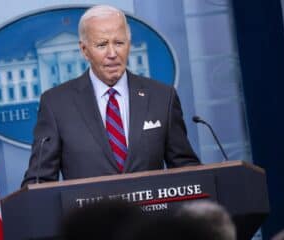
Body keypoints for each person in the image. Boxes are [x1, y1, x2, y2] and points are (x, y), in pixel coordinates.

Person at [21, 5, 200, 186]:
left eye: (119, 43)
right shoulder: (56, 105)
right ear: (84, 50)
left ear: (129, 45)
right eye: (102, 45)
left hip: (153, 213)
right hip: (91, 214)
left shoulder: (162, 97)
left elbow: (186, 168)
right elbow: (39, 182)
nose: (112, 53)